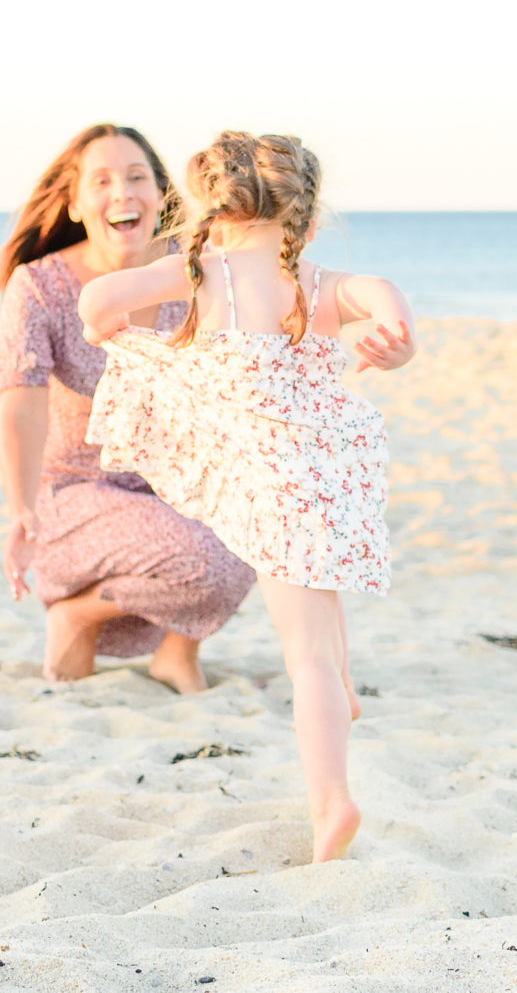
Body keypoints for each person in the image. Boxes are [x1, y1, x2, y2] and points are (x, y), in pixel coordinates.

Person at [77, 131, 417, 863]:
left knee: (306, 662)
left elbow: (100, 298)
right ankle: (346, 694)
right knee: (323, 615)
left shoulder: (203, 271)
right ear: (304, 216)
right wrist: (399, 334)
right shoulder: (317, 283)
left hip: (273, 489)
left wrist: (116, 333)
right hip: (329, 477)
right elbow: (378, 292)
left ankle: (332, 800)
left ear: (210, 207)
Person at [0, 123, 257, 693]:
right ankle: (77, 614)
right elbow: (21, 404)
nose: (122, 193)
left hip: (174, 486)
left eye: (138, 177)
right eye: (102, 180)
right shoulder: (39, 286)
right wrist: (20, 511)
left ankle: (175, 653)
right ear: (75, 202)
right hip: (76, 495)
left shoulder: (196, 272)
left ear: (161, 194)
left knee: (263, 524)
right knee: (207, 559)